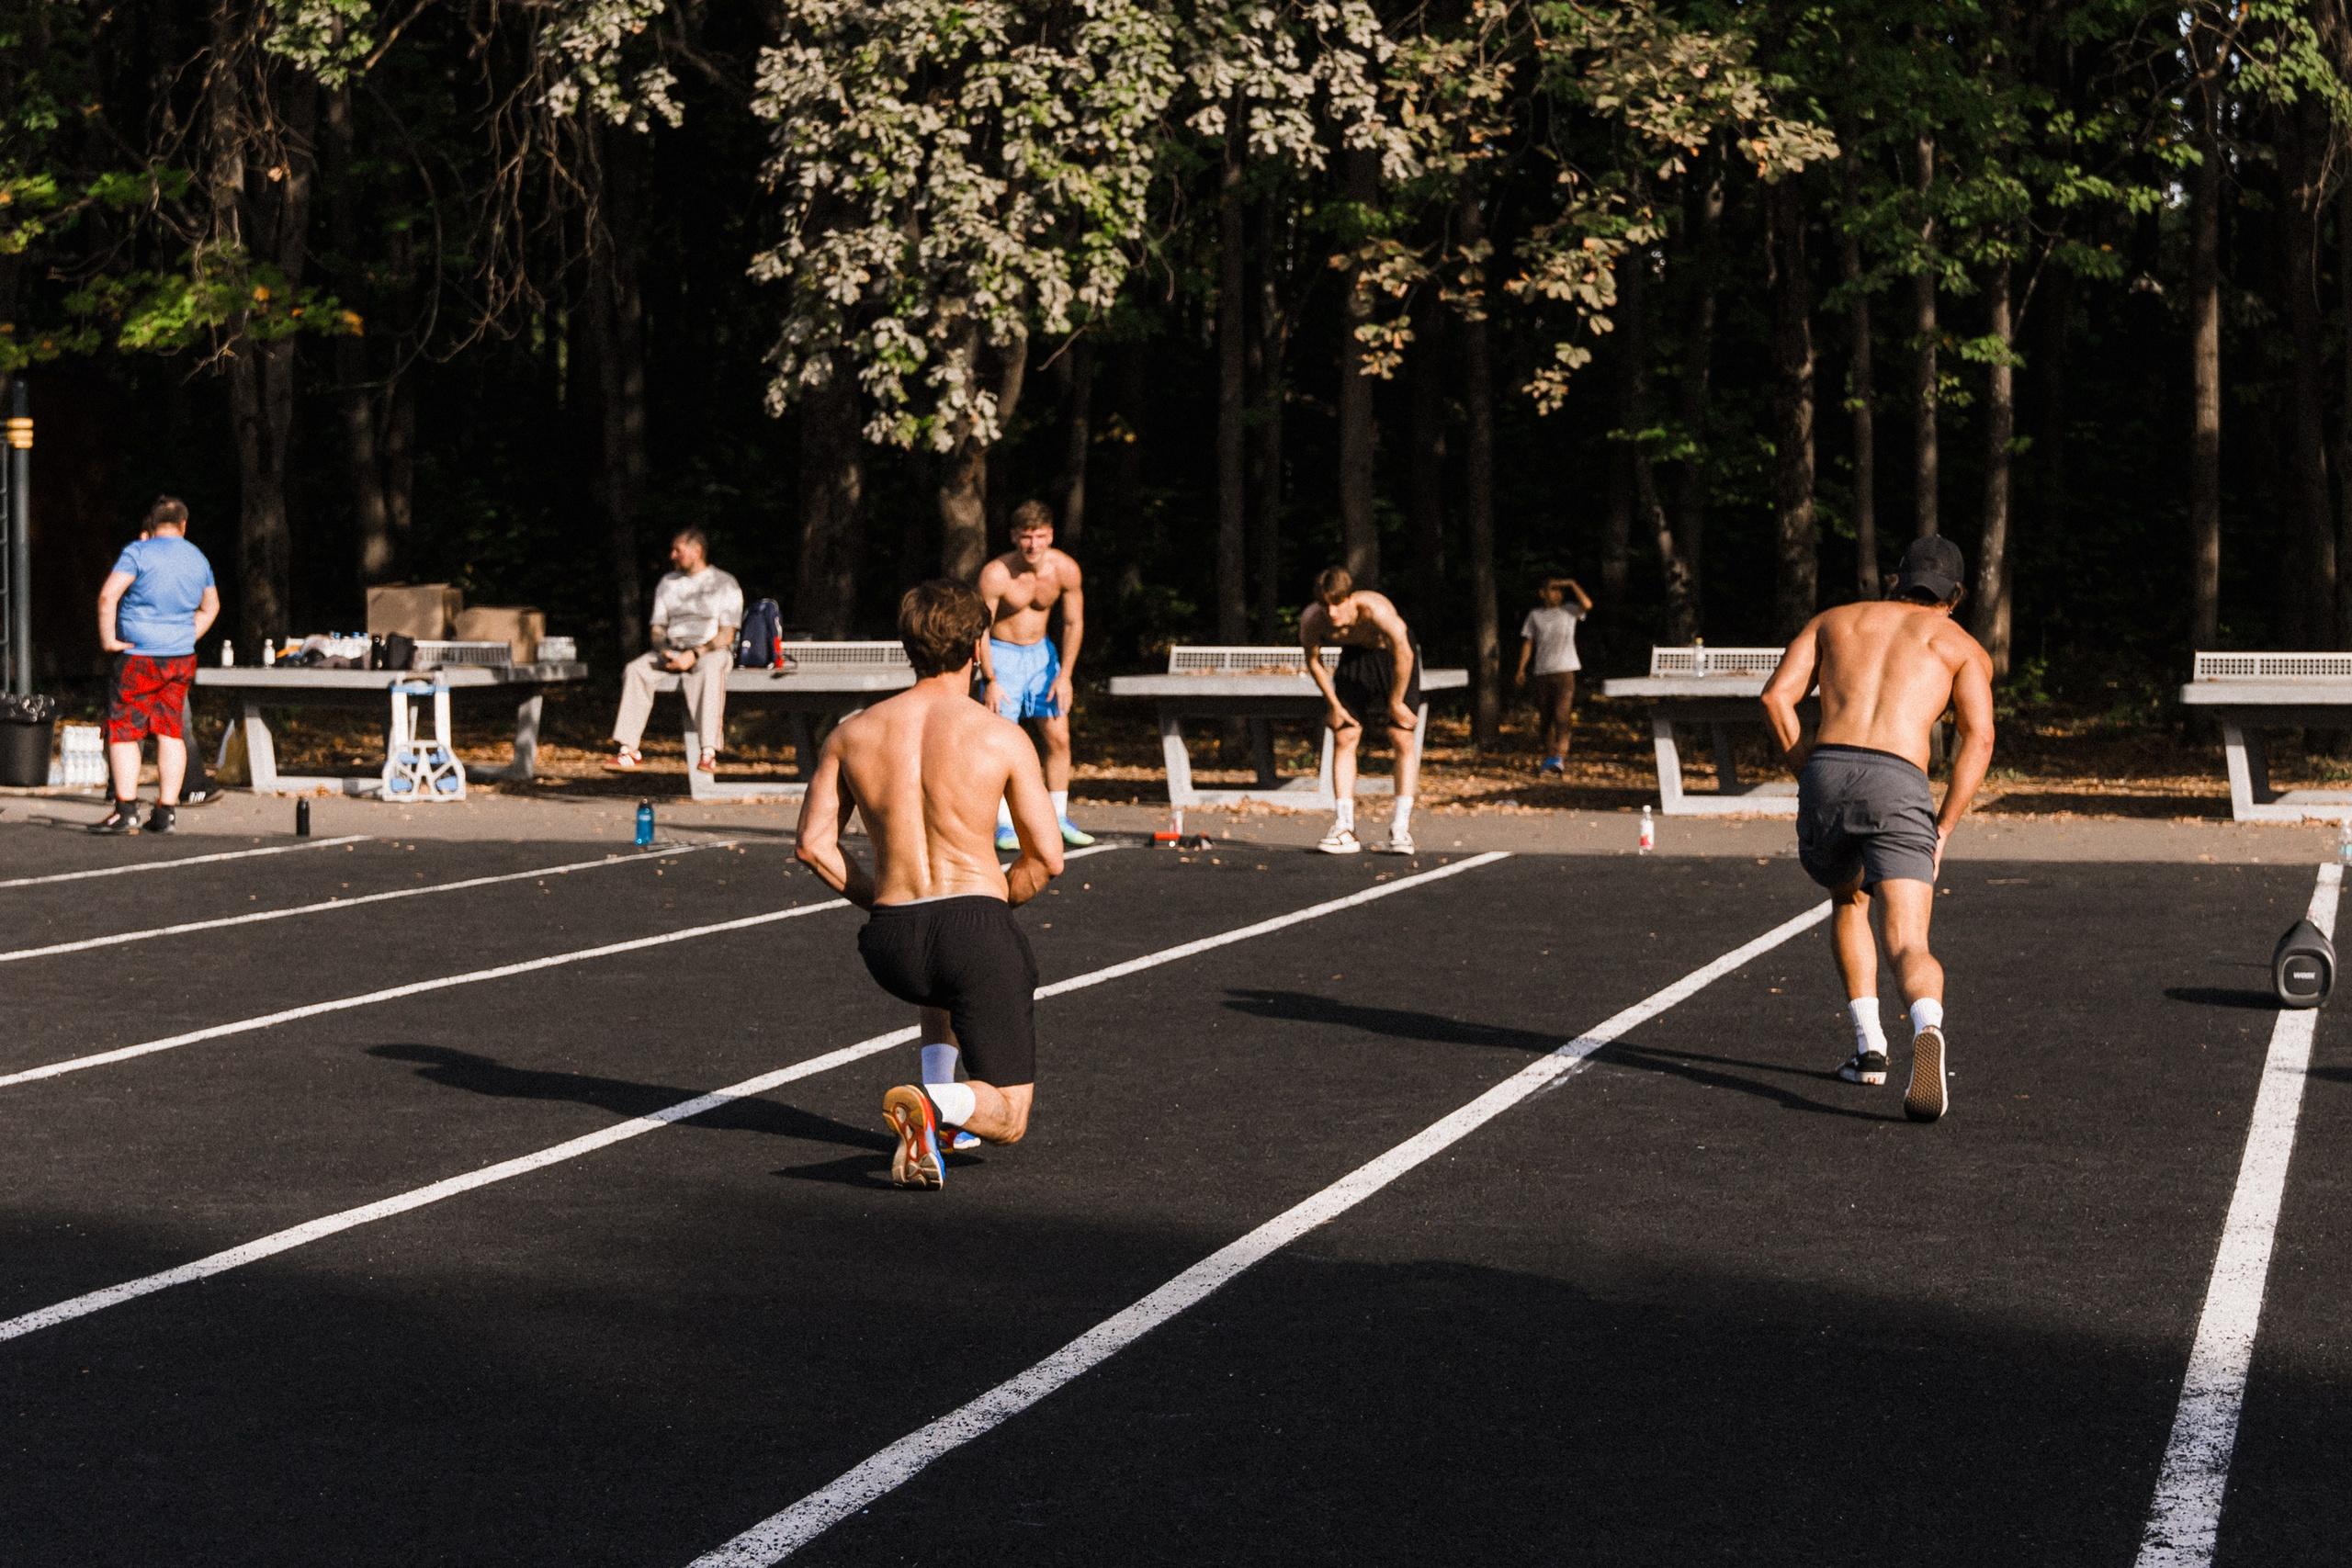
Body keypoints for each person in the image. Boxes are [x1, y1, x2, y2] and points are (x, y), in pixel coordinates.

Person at [797, 580, 1066, 1190]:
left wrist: (881, 898)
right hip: (973, 930)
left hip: (893, 944)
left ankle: (936, 1111)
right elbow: (1047, 858)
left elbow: (812, 844)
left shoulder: (852, 732)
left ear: (908, 645)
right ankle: (937, 1103)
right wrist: (993, 902)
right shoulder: (999, 734)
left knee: (947, 976)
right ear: (977, 646)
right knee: (1010, 1115)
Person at [1758, 536, 1994, 1124]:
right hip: (1900, 781)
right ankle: (1926, 1026)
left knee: (1848, 898)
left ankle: (1869, 1049)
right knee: (1910, 941)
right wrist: (1943, 826)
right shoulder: (1961, 645)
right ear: (1955, 596)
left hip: (1828, 766)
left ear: (1896, 580)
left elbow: (1776, 699)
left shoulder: (1834, 621)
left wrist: (1808, 771)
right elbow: (1980, 738)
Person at [90, 497, 220, 835]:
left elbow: (108, 596)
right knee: (170, 730)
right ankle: (166, 811)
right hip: (180, 657)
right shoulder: (197, 557)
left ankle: (126, 809)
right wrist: (186, 635)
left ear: (152, 522)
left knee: (124, 731)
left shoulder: (138, 553)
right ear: (184, 524)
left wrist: (109, 639)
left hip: (139, 656)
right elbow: (211, 607)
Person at [977, 500, 1091, 849]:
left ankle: (1058, 818)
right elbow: (980, 629)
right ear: (1014, 536)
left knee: (1059, 737)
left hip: (1042, 657)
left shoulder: (1064, 569)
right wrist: (990, 679)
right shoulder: (997, 573)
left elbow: (1073, 622)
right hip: (1002, 656)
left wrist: (1065, 675)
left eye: (1039, 536)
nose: (1033, 544)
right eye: (1026, 537)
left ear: (1050, 535)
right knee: (1002, 742)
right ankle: (1004, 824)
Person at [1300, 567, 1423, 856]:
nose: (1332, 612)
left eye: (1338, 603)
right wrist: (1334, 704)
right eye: (1325, 605)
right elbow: (1313, 661)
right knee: (1344, 735)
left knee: (1401, 736)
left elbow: (1405, 653)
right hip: (1354, 658)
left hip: (1393, 658)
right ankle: (1345, 827)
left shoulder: (1376, 610)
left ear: (1351, 598)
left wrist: (1396, 701)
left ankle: (1400, 828)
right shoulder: (1313, 619)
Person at [607, 527, 743, 774]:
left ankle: (708, 752)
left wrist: (695, 654)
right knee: (635, 669)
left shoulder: (725, 583)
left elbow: (727, 634)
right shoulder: (668, 583)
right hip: (673, 649)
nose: (672, 556)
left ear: (696, 551)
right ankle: (629, 750)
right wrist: (664, 651)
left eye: (677, 550)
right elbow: (658, 628)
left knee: (711, 670)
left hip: (709, 651)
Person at [1514, 574, 1593, 774]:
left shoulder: (1569, 611)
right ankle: (1549, 757)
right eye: (1553, 589)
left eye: (1560, 591)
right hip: (1542, 671)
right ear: (1542, 593)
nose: (1557, 594)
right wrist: (1521, 668)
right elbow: (1528, 643)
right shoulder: (1535, 615)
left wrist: (1572, 583)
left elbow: (1587, 604)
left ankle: (1560, 757)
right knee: (1546, 718)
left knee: (1562, 715)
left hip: (1565, 670)